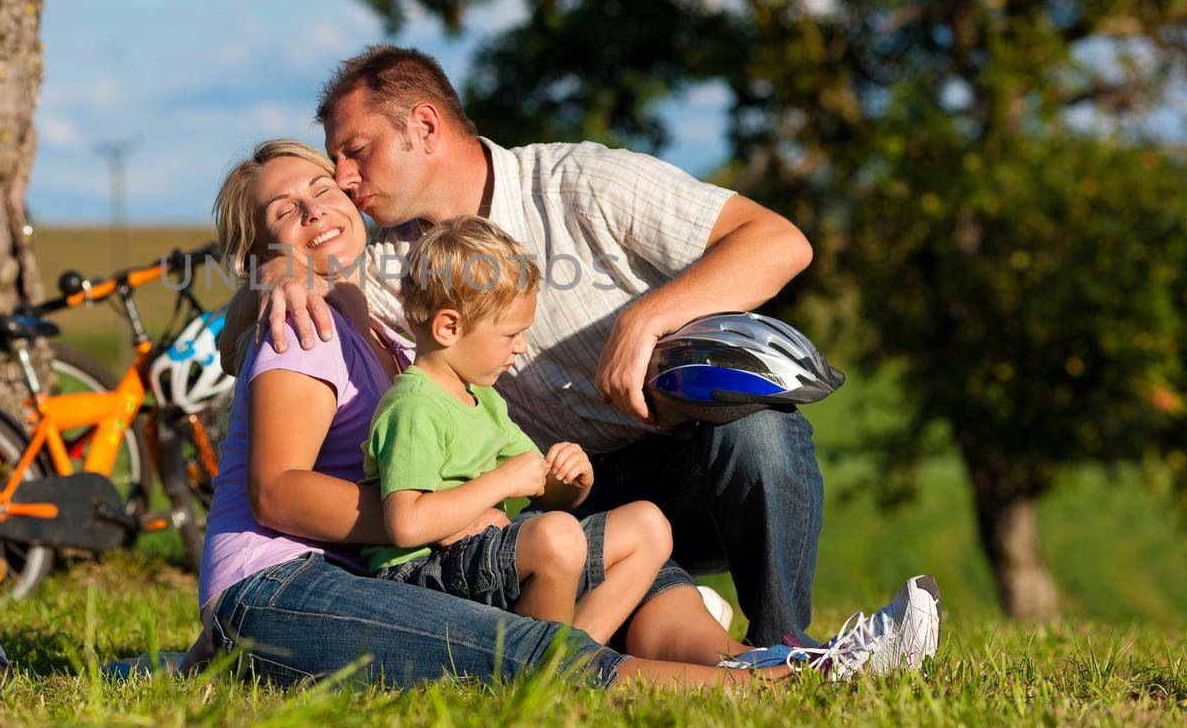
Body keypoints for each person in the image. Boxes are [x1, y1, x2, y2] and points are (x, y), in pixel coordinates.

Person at [148, 138, 939, 691]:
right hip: (282, 585)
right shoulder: (301, 318)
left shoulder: (381, 311)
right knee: (519, 650)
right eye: (286, 211)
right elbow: (278, 495)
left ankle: (761, 657)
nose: (318, 205)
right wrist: (431, 514)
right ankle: (782, 686)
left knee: (631, 549)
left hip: (387, 558)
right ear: (261, 250)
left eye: (323, 185)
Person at [223, 45, 824, 647]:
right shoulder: (382, 268)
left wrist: (647, 318)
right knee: (645, 610)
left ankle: (786, 646)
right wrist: (280, 272)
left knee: (759, 431)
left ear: (425, 127)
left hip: (688, 476)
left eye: (357, 152)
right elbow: (235, 344)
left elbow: (779, 242)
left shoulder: (582, 184)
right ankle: (677, 648)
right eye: (336, 162)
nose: (345, 181)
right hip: (537, 501)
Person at [364, 215, 672, 646]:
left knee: (648, 524)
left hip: (483, 554)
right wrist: (499, 483)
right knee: (555, 537)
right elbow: (406, 524)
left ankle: (576, 657)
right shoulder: (414, 406)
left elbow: (546, 493)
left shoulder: (484, 399)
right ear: (449, 327)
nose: (521, 346)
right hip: (421, 575)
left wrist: (572, 478)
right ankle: (540, 665)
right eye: (511, 334)